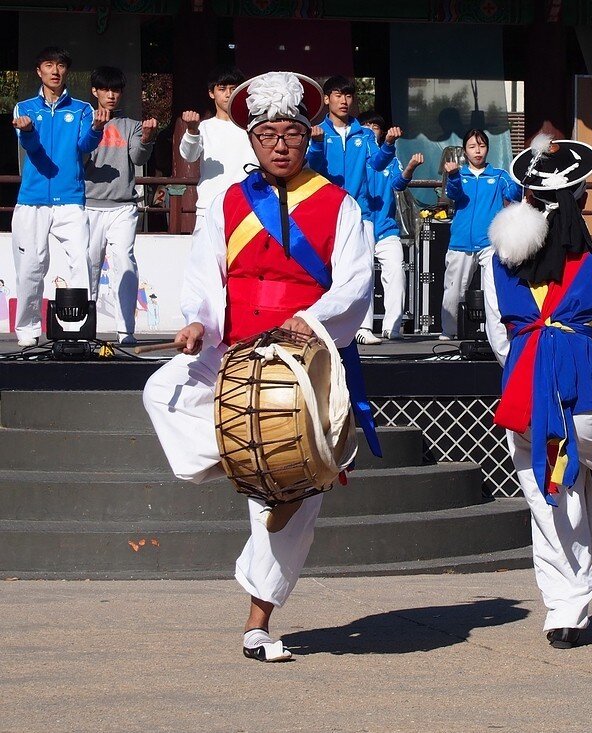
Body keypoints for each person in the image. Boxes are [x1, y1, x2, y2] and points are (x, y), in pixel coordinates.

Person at [143, 71, 374, 662]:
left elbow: (354, 284)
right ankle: (236, 453)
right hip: (237, 354)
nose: (278, 144)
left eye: (290, 134)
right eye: (266, 133)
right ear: (252, 140)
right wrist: (197, 322)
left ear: (307, 137)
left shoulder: (337, 204)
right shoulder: (228, 202)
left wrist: (315, 319)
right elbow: (204, 278)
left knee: (290, 502)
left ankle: (258, 622)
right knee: (161, 390)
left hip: (307, 363)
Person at [483, 136, 592, 649]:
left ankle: (571, 600)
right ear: (582, 200)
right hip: (543, 395)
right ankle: (566, 606)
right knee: (552, 495)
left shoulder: (497, 260)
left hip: (573, 395)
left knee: (583, 486)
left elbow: (504, 338)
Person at [11, 46, 106, 347]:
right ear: (39, 70)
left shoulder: (81, 109)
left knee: (81, 261)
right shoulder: (24, 108)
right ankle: (27, 330)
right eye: (48, 65)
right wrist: (26, 133)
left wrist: (97, 129)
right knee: (31, 267)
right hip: (32, 200)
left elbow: (83, 146)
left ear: (67, 71)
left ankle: (76, 326)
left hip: (70, 200)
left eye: (61, 65)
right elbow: (34, 150)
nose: (55, 71)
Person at [303, 80, 403, 345]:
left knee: (363, 270)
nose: (344, 100)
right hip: (328, 212)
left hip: (362, 213)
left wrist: (389, 145)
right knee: (326, 270)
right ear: (327, 99)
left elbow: (377, 163)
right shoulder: (317, 131)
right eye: (338, 95)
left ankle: (364, 327)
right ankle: (320, 323)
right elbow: (313, 169)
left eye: (348, 95)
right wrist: (315, 145)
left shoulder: (365, 134)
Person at [84, 66, 157, 345]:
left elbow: (138, 158)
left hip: (123, 206)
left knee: (125, 263)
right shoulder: (83, 119)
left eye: (116, 90)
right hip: (89, 205)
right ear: (95, 92)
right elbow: (78, 160)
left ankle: (126, 331)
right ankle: (83, 330)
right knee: (88, 266)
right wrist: (94, 131)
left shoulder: (131, 125)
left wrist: (148, 140)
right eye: (105, 89)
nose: (111, 95)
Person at [441, 128, 522, 339]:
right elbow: (453, 194)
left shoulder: (499, 176)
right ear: (465, 151)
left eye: (482, 145)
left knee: (493, 287)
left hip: (489, 242)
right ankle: (450, 331)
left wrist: (522, 179)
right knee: (454, 290)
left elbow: (514, 195)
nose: (478, 151)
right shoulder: (458, 174)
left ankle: (494, 331)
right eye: (472, 146)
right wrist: (453, 175)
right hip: (460, 242)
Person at [357, 112, 424, 342]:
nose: (371, 129)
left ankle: (392, 326)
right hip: (359, 225)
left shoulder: (391, 159)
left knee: (396, 270)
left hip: (386, 226)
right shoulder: (356, 156)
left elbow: (398, 184)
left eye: (375, 126)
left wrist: (411, 167)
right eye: (366, 125)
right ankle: (363, 328)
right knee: (363, 275)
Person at [178, 66, 257, 236]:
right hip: (210, 206)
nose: (228, 94)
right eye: (222, 89)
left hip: (248, 206)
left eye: (233, 89)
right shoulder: (204, 128)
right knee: (207, 262)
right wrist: (192, 131)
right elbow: (189, 156)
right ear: (211, 93)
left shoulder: (253, 128)